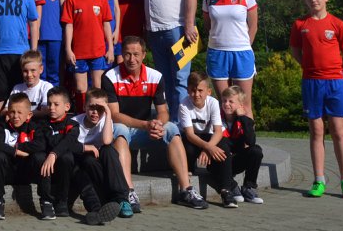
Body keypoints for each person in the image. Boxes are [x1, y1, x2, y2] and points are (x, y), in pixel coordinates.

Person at [101, 35, 207, 211]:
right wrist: (145, 124)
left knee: (171, 128)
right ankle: (128, 192)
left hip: (145, 129)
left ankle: (186, 189)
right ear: (122, 54)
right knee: (120, 129)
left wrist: (157, 123)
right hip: (123, 130)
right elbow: (114, 115)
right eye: (127, 54)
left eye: (136, 54)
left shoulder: (155, 76)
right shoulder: (110, 76)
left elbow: (163, 112)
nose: (131, 59)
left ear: (144, 55)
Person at [290, 0, 343, 199]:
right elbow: (295, 50)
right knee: (317, 132)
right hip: (311, 83)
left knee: (339, 132)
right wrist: (308, 67)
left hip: (335, 83)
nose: (313, 0)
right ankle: (319, 180)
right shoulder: (300, 24)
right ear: (305, 0)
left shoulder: (338, 24)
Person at [127, 0, 199, 114]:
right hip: (154, 31)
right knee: (164, 80)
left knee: (180, 79)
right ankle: (170, 121)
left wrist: (189, 25)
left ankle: (182, 123)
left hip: (178, 29)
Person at [203, 0, 259, 117]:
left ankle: (247, 135)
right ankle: (228, 134)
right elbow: (208, 27)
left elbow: (253, 26)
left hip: (241, 53)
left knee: (244, 105)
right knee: (225, 105)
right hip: (217, 53)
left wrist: (245, 45)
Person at [72, 88, 132, 222]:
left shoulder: (105, 120)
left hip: (102, 159)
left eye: (100, 109)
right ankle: (109, 201)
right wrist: (86, 148)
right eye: (91, 107)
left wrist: (108, 113)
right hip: (83, 162)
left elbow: (106, 141)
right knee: (88, 160)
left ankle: (122, 199)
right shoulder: (75, 122)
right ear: (84, 106)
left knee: (109, 150)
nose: (95, 112)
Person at [179, 73, 237, 208]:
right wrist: (208, 147)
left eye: (200, 90)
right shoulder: (184, 105)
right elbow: (190, 134)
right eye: (193, 90)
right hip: (193, 138)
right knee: (187, 147)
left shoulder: (213, 103)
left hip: (209, 137)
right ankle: (189, 168)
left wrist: (207, 148)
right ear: (187, 90)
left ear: (208, 92)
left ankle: (226, 190)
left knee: (224, 148)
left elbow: (218, 131)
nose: (196, 94)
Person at [61, 0, 114, 112]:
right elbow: (68, 26)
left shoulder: (101, 0)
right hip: (78, 52)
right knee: (80, 87)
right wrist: (68, 49)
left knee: (97, 87)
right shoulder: (71, 0)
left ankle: (98, 116)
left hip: (98, 50)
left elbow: (106, 25)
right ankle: (81, 116)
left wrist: (110, 48)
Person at [0, 92, 42, 221]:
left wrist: (19, 146)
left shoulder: (34, 127)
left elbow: (41, 145)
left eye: (20, 112)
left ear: (29, 115)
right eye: (12, 112)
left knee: (40, 156)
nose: (15, 116)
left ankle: (46, 202)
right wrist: (15, 151)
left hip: (26, 172)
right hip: (7, 172)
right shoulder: (3, 125)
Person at [33, 87, 78, 221]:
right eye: (49, 104)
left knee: (67, 157)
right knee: (40, 157)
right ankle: (46, 201)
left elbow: (68, 142)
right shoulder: (41, 123)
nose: (51, 108)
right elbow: (42, 144)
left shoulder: (73, 124)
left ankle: (62, 201)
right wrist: (52, 153)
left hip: (63, 167)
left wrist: (53, 154)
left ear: (67, 107)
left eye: (56, 104)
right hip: (44, 165)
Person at [220, 86, 264, 204]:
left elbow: (251, 141)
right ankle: (232, 185)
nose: (226, 104)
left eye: (231, 101)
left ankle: (248, 187)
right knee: (222, 146)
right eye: (224, 100)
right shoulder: (217, 118)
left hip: (235, 161)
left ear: (240, 105)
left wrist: (242, 118)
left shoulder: (244, 120)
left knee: (256, 151)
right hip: (220, 161)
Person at [35, 0, 67, 85]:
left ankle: (54, 95)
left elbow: (64, 10)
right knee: (40, 70)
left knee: (54, 70)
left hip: (55, 34)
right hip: (37, 35)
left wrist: (65, 31)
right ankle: (41, 97)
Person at [9, 49, 53, 115]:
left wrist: (25, 115)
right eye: (25, 71)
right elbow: (7, 108)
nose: (29, 75)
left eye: (33, 70)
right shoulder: (17, 88)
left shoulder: (46, 87)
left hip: (39, 120)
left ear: (41, 69)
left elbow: (45, 110)